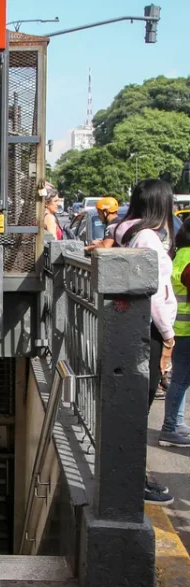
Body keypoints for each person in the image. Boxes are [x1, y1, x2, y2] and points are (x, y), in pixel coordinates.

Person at [109, 179, 176, 504]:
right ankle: (134, 480)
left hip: (135, 327)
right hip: (148, 329)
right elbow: (155, 294)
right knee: (138, 407)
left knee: (135, 406)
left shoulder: (129, 232)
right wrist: (168, 334)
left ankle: (135, 477)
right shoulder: (149, 237)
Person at [160, 221, 190, 448]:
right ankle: (170, 428)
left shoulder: (179, 255)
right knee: (180, 381)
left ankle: (176, 423)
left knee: (181, 379)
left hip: (177, 327)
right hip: (186, 329)